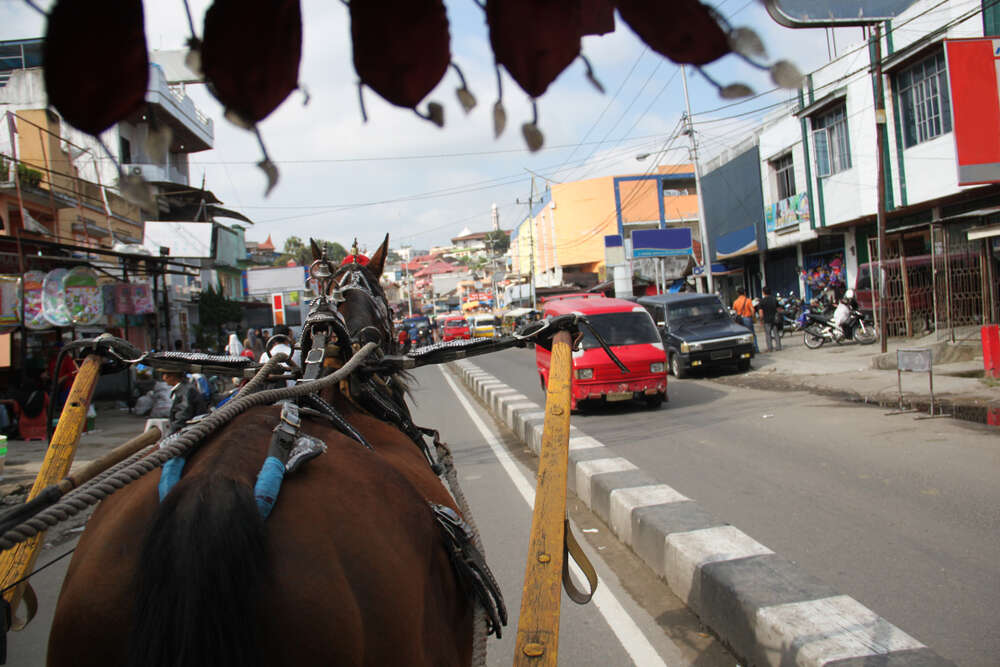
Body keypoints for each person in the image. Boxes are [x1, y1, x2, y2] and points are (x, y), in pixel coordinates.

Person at [756, 287, 782, 352]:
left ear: (763, 292)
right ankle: (778, 346)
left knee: (768, 334)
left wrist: (761, 320)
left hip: (766, 320)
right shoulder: (774, 299)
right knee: (776, 333)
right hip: (774, 319)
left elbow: (761, 313)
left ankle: (770, 348)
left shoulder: (762, 301)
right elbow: (779, 309)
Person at [732, 287, 758, 353]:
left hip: (739, 320)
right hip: (747, 318)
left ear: (737, 293)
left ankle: (744, 350)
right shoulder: (748, 300)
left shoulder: (735, 302)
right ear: (744, 292)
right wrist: (754, 318)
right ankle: (755, 349)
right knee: (752, 334)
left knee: (742, 335)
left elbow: (734, 312)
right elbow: (752, 310)